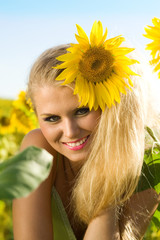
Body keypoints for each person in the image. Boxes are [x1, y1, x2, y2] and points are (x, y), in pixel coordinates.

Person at [12, 21, 160, 240]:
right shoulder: (38, 151)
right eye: (52, 118)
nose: (70, 132)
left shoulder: (147, 167)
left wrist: (107, 182)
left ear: (111, 106)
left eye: (82, 111)